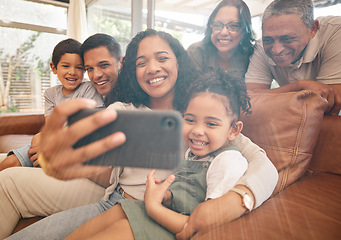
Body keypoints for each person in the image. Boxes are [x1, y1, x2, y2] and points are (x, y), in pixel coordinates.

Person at [8, 29, 278, 240]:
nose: (152, 68)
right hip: (113, 201)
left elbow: (263, 165)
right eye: (141, 62)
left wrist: (237, 200)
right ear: (132, 70)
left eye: (162, 58)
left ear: (179, 62)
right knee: (9, 182)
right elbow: (84, 141)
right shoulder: (123, 109)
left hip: (155, 212)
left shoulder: (199, 117)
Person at [65, 69, 253, 240]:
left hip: (179, 226)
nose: (197, 131)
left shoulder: (227, 161)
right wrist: (165, 195)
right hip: (163, 210)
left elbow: (203, 223)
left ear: (234, 130)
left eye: (211, 124)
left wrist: (154, 207)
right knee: (116, 212)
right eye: (190, 120)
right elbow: (187, 192)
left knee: (123, 226)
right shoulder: (193, 153)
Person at [0, 33, 122, 239]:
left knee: (8, 175)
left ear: (120, 62)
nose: (95, 75)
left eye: (103, 65)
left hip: (91, 170)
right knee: (8, 159)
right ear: (54, 68)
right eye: (90, 68)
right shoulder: (56, 93)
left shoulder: (98, 94)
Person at [0, 38, 104, 170]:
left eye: (79, 67)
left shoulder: (88, 88)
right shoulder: (50, 94)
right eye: (66, 66)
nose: (72, 72)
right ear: (54, 68)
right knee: (8, 163)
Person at [245, 0, 341, 115]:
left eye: (288, 38)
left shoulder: (335, 32)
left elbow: (326, 106)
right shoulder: (261, 46)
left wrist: (269, 98)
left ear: (313, 29)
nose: (276, 50)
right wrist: (300, 85)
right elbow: (248, 100)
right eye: (268, 39)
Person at [187, 0, 255, 75]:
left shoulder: (252, 56)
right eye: (217, 25)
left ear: (245, 30)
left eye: (233, 26)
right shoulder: (196, 52)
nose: (223, 32)